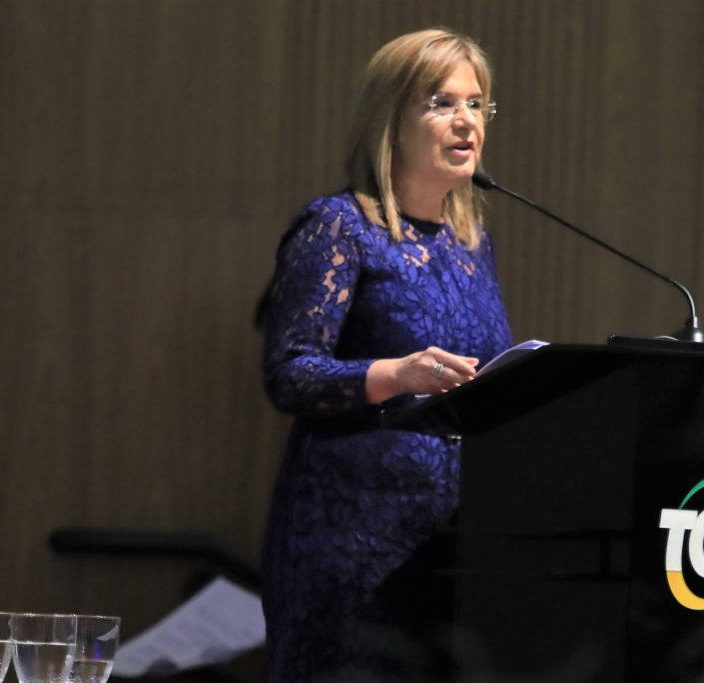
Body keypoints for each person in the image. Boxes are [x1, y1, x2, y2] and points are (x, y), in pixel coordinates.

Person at [260, 28, 513, 682]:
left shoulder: (470, 243)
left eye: (477, 104)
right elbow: (289, 373)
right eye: (441, 103)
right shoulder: (340, 227)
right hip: (352, 543)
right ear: (392, 123)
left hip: (453, 548)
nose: (467, 121)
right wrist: (396, 374)